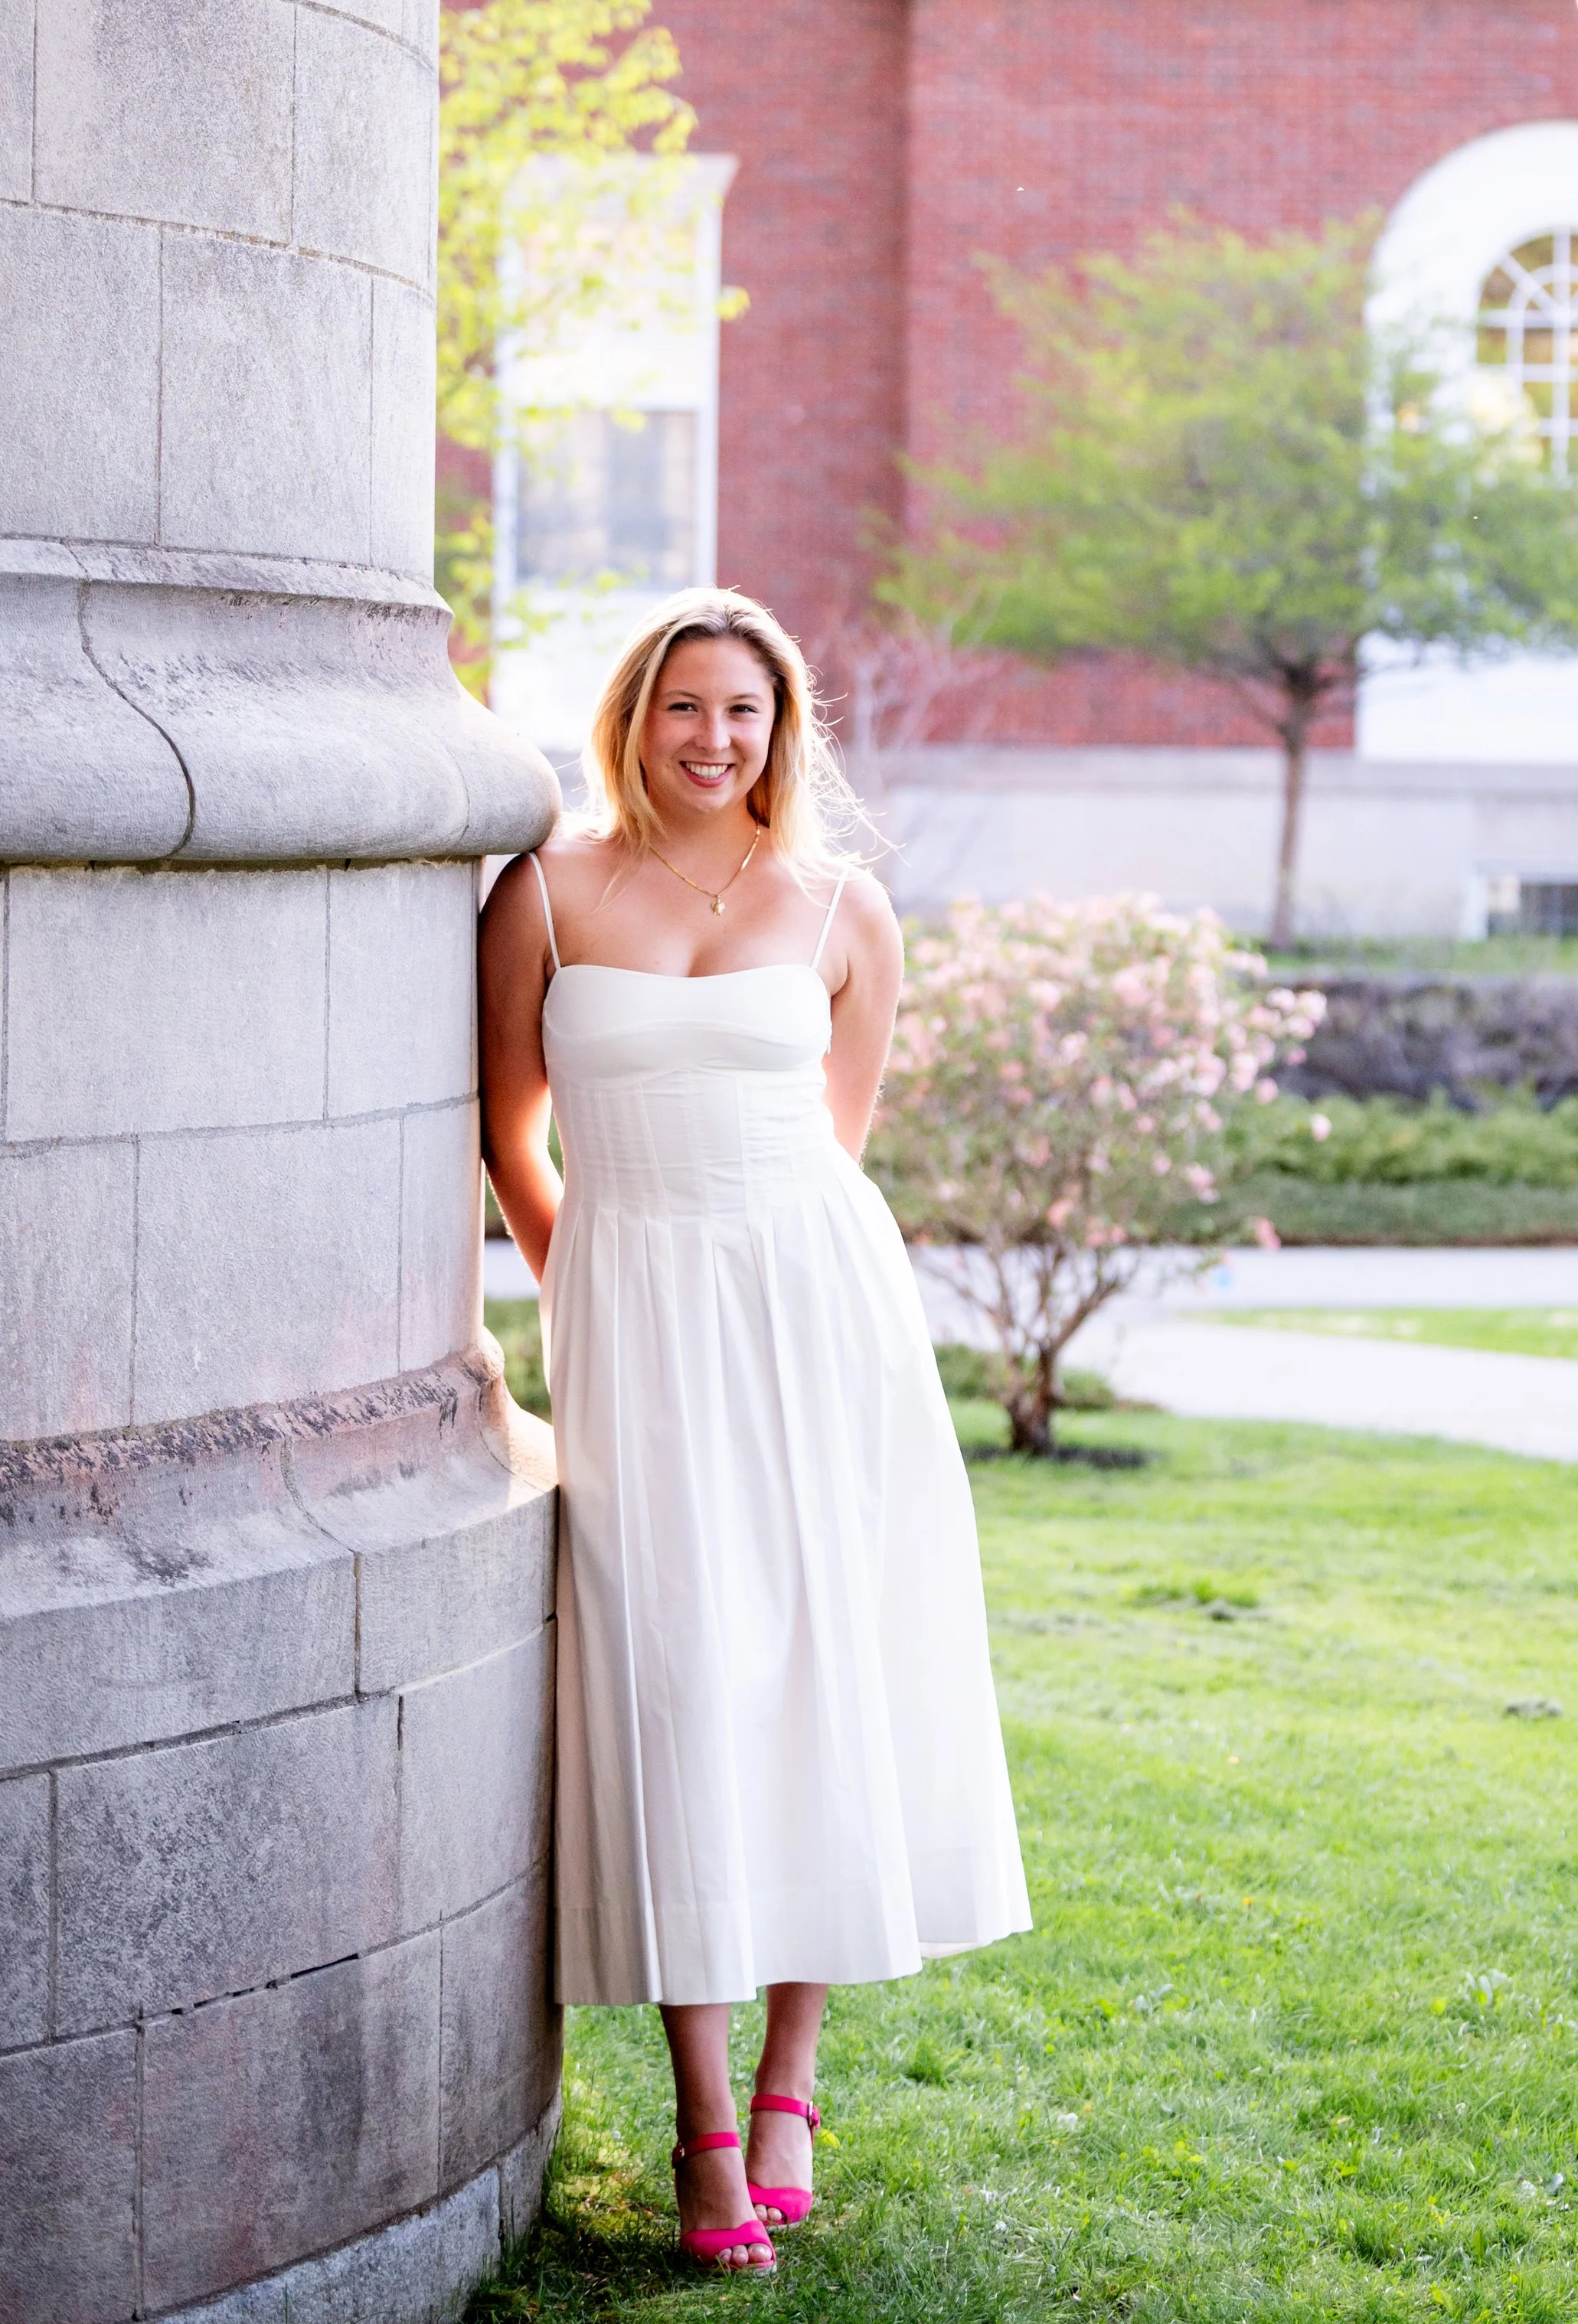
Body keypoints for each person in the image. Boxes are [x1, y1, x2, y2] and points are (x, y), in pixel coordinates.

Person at [479, 586, 1030, 2273]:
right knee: (677, 1683)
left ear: (784, 730)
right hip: (631, 1309)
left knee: (813, 1670)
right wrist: (601, 1294)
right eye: (683, 709)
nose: (714, 739)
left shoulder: (843, 906)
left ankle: (782, 2083)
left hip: (818, 1315)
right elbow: (512, 1137)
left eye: (746, 712)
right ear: (630, 722)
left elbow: (831, 1148)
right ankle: (694, 2110)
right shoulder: (546, 894)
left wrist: (742, 1271)